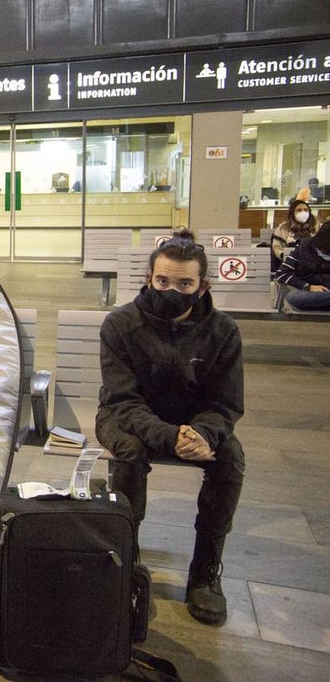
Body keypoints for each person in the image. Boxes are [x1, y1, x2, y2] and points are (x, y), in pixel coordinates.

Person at [95, 230, 244, 627]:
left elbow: (225, 403)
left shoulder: (223, 331)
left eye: (184, 284)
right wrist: (171, 436)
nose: (170, 291)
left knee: (230, 457)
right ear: (149, 279)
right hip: (124, 416)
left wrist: (203, 434)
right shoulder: (120, 324)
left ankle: (205, 573)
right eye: (162, 281)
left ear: (202, 286)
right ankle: (125, 562)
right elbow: (122, 400)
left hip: (192, 423)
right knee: (130, 451)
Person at [275, 220, 330, 312]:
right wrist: (308, 287)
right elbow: (282, 274)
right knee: (293, 297)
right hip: (312, 294)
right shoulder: (303, 248)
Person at [270, 198, 317, 271]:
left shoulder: (317, 227)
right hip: (289, 264)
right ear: (292, 213)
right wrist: (285, 255)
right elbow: (276, 247)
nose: (303, 212)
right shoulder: (283, 228)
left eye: (306, 210)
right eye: (299, 210)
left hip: (313, 266)